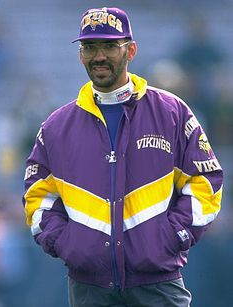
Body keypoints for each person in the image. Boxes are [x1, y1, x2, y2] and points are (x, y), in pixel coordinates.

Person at [22, 7, 223, 307]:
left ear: (130, 50)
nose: (99, 56)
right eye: (90, 47)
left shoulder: (172, 112)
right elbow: (37, 196)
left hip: (159, 282)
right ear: (80, 55)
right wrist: (67, 244)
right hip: (88, 287)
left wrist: (173, 237)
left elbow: (206, 181)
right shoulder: (55, 127)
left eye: (109, 46)